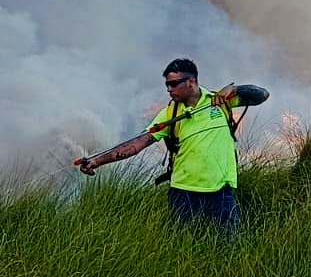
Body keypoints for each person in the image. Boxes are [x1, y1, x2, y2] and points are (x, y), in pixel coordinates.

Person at [77, 58, 269, 230]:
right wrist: (96, 161)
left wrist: (235, 90)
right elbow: (136, 144)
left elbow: (262, 95)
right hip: (183, 193)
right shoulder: (169, 114)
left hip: (221, 192)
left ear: (191, 82)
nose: (169, 89)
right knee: (183, 248)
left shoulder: (220, 101)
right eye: (167, 85)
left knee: (227, 247)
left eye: (174, 84)